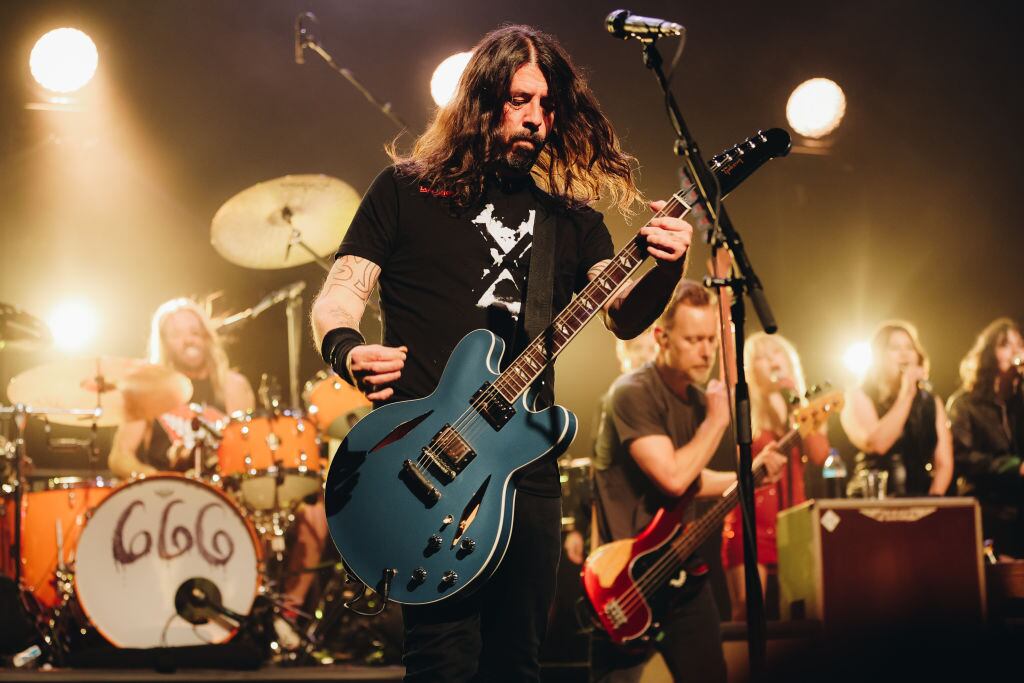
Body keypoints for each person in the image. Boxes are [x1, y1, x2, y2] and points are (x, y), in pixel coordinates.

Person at [311, 24, 695, 682]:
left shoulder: (572, 221)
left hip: (526, 476)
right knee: (441, 662)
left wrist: (665, 270)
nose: (538, 119)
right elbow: (336, 299)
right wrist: (349, 350)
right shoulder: (404, 191)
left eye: (546, 105)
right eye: (521, 100)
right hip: (423, 468)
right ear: (480, 99)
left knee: (517, 663)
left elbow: (622, 317)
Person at [589, 280, 787, 682]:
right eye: (694, 339)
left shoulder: (698, 400)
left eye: (711, 339)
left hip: (683, 573)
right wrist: (717, 421)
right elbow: (675, 478)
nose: (706, 350)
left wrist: (752, 473)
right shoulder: (631, 393)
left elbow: (693, 477)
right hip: (628, 580)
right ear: (661, 337)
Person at [107, 298, 325, 642]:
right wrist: (158, 479)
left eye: (194, 331)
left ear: (208, 337)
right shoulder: (148, 389)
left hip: (233, 494)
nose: (188, 339)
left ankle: (285, 618)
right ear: (163, 343)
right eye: (176, 334)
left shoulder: (233, 386)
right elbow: (119, 457)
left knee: (315, 514)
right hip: (171, 499)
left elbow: (252, 449)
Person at [720, 332, 829, 621]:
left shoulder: (802, 408)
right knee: (748, 610)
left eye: (776, 353)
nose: (771, 361)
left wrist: (798, 405)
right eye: (761, 357)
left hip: (792, 519)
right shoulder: (744, 407)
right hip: (750, 520)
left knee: (800, 610)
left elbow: (821, 455)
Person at [840, 320, 953, 497]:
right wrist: (906, 393)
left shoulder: (930, 401)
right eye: (894, 348)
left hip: (919, 498)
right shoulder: (858, 396)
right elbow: (878, 444)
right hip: (872, 499)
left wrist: (933, 501)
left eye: (909, 347)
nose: (904, 354)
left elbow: (944, 463)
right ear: (878, 356)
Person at [947, 317, 1024, 559]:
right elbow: (962, 456)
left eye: (1019, 344)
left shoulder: (1020, 401)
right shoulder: (965, 403)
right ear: (989, 353)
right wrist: (1014, 467)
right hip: (989, 507)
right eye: (1005, 344)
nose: (1015, 351)